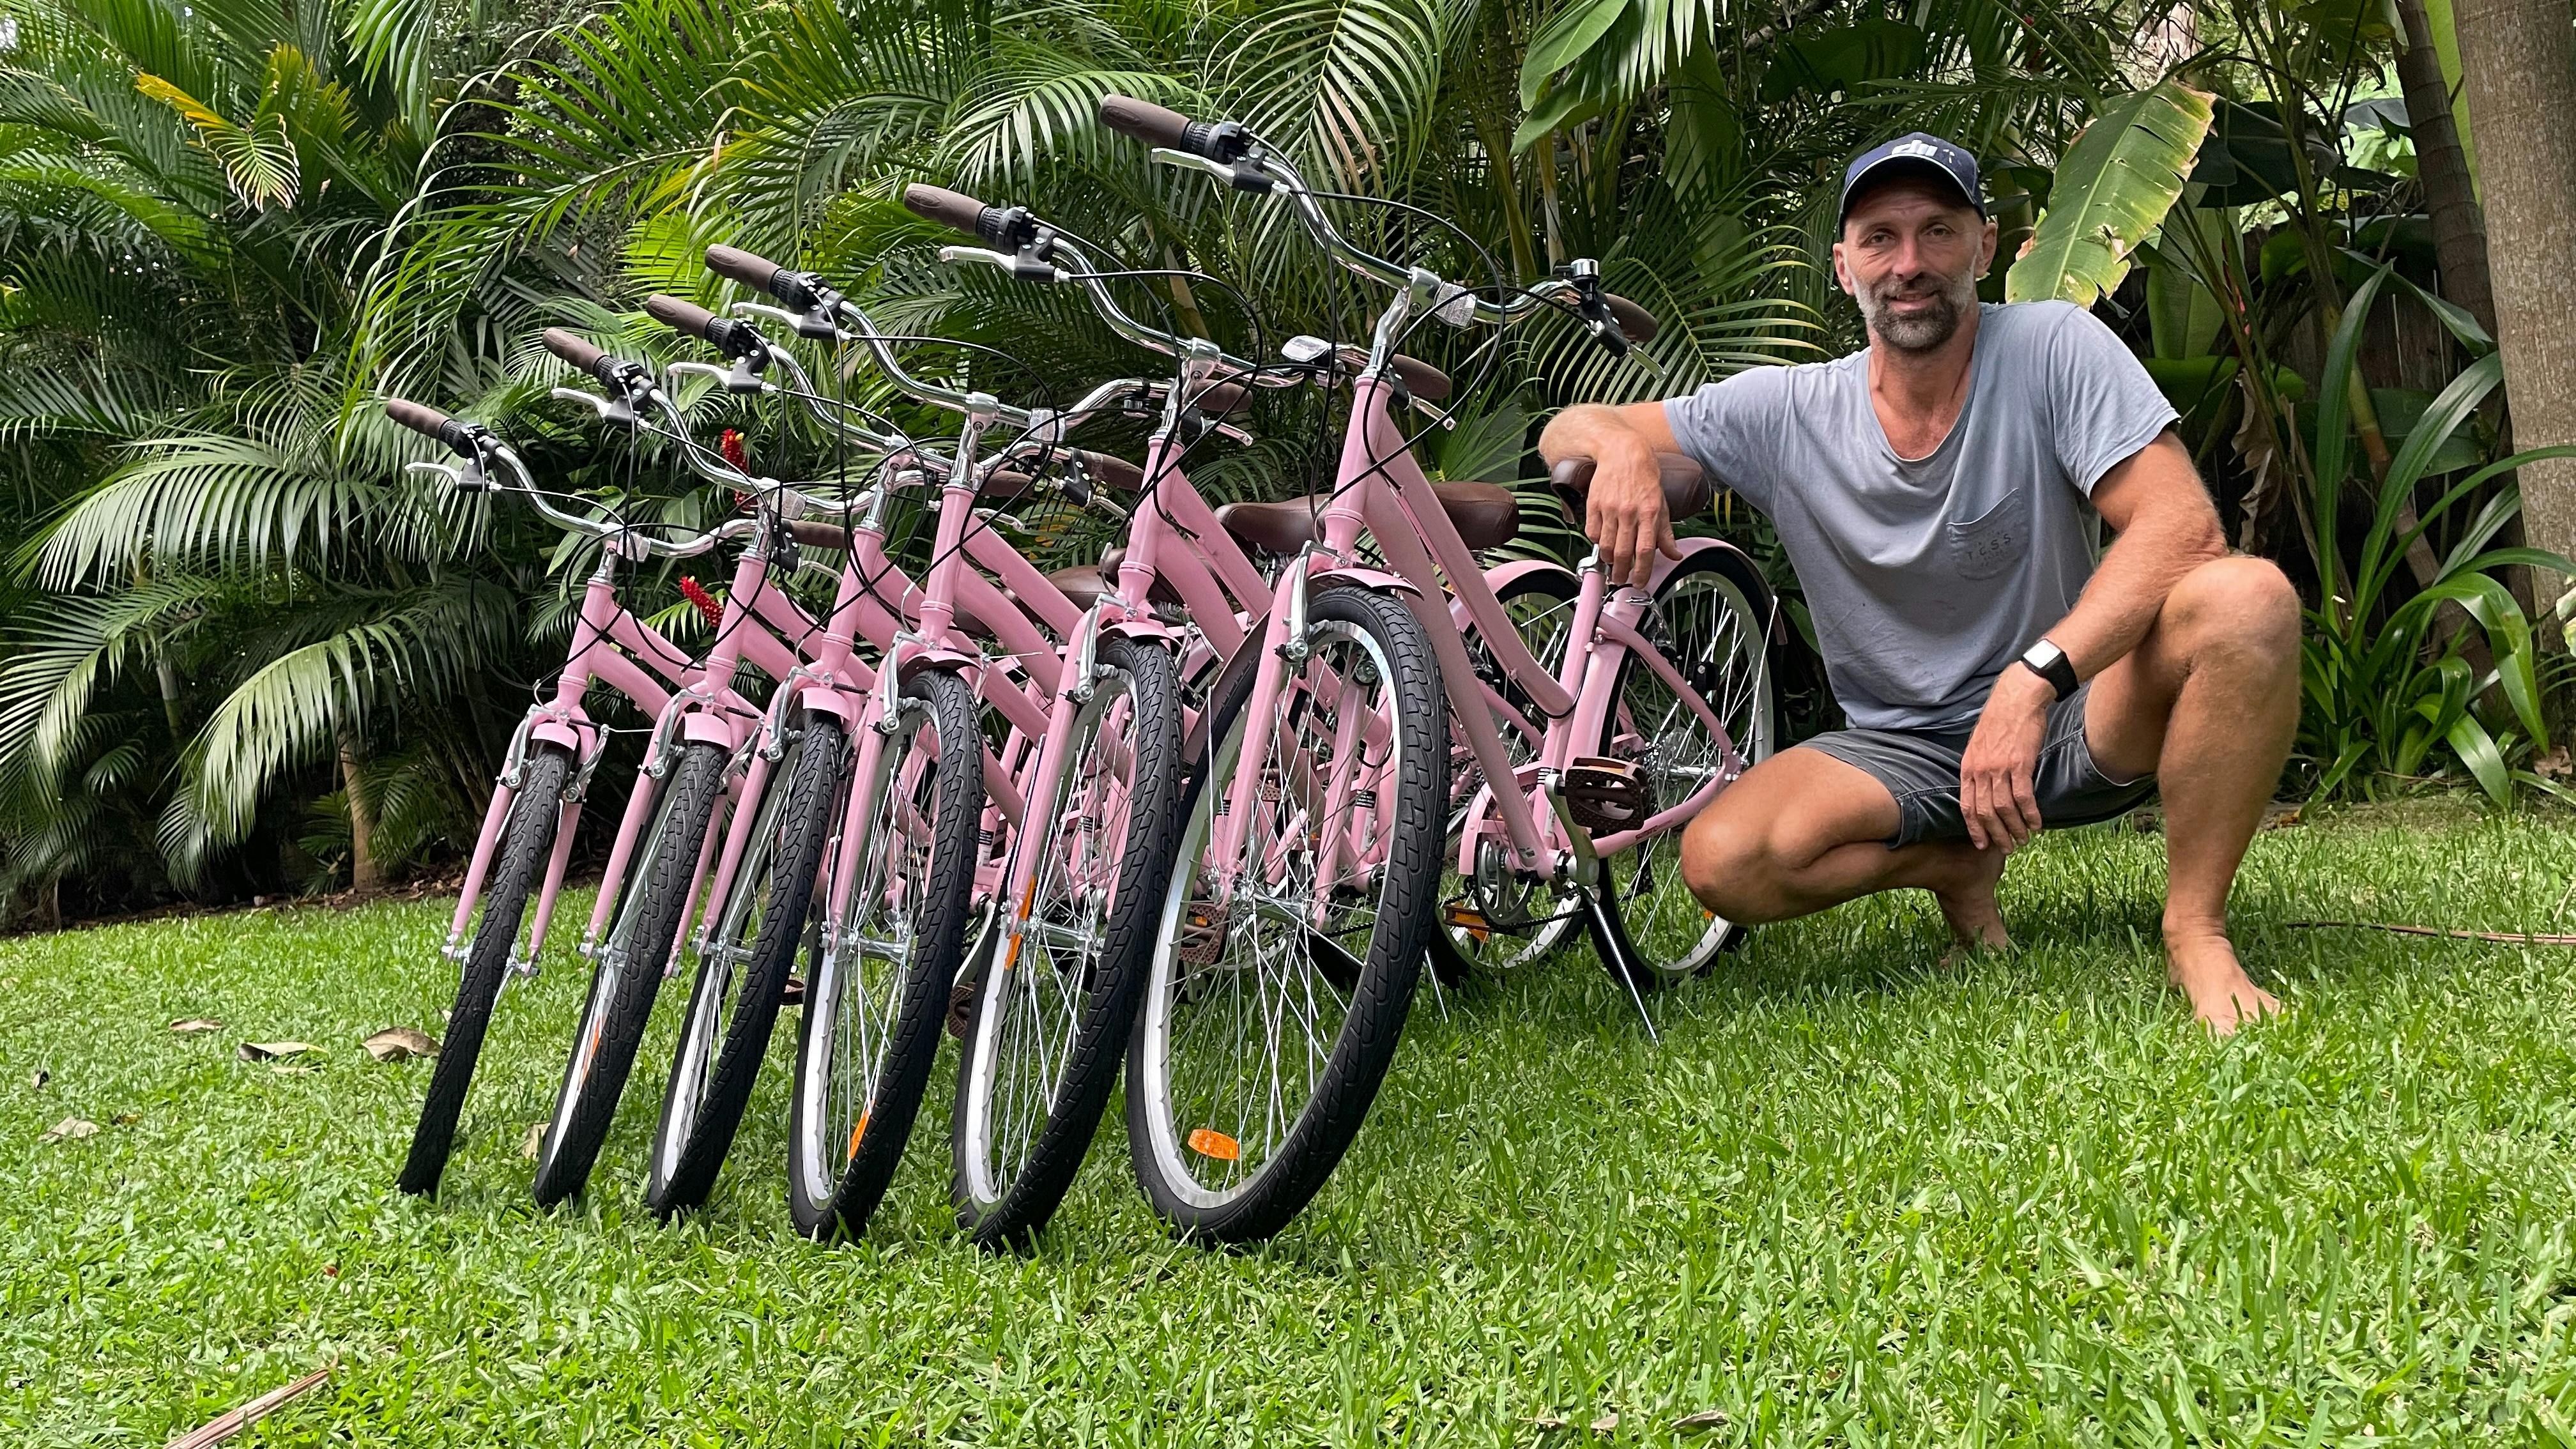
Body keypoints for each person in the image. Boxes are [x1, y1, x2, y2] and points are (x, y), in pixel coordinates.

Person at [1538, 132, 2299, 1034]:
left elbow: (2181, 526)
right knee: (1722, 862)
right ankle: (1952, 864)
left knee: (2248, 600)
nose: (1910, 264)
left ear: (1984, 246)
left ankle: (2195, 929)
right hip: (1907, 753)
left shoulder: (2053, 346)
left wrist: (2032, 681)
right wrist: (1623, 449)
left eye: (1938, 232)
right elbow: (1567, 428)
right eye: (1880, 238)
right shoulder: (1788, 411)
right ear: (1843, 265)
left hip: (2079, 714)